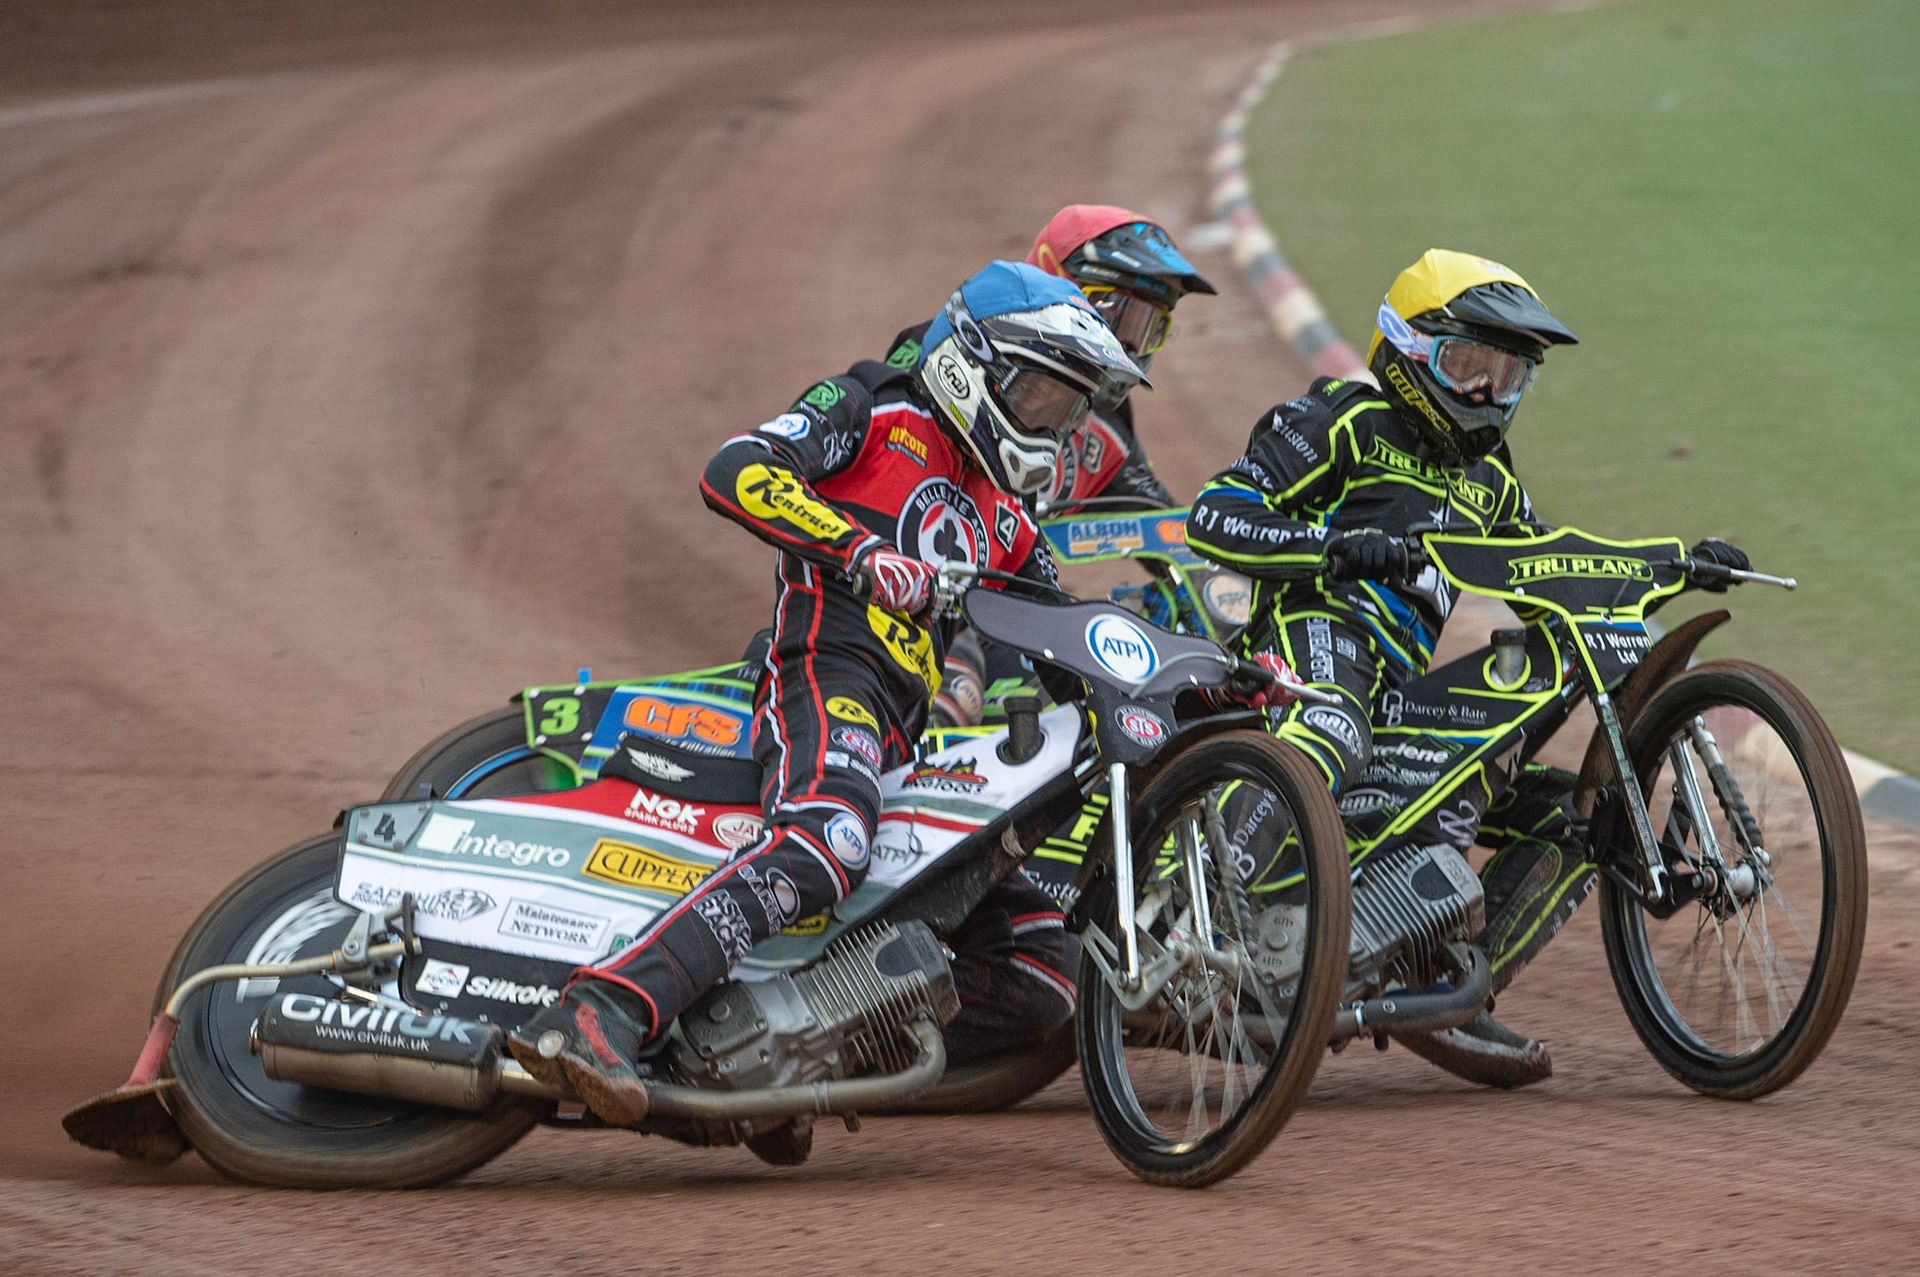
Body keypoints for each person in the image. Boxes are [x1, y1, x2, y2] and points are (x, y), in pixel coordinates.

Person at [508, 261, 1146, 1124]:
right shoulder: (876, 406)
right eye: (1039, 394)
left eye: (1066, 407)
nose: (1050, 421)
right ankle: (602, 1007)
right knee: (829, 841)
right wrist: (855, 550)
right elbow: (737, 466)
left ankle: (775, 1064)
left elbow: (1061, 634)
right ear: (974, 363)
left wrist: (1189, 689)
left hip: (910, 734)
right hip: (825, 664)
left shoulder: (1008, 516)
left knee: (1043, 973)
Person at [1186, 249, 1749, 1086]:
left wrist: (1670, 565)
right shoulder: (1344, 418)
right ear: (1410, 351)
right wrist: (1331, 548)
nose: (1486, 392)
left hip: (1395, 690)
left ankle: (1449, 983)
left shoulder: (1489, 480)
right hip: (1301, 641)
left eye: (1509, 374)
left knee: (1578, 815)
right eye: (1468, 364)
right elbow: (1214, 517)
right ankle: (1199, 911)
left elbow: (1551, 579)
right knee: (1333, 724)